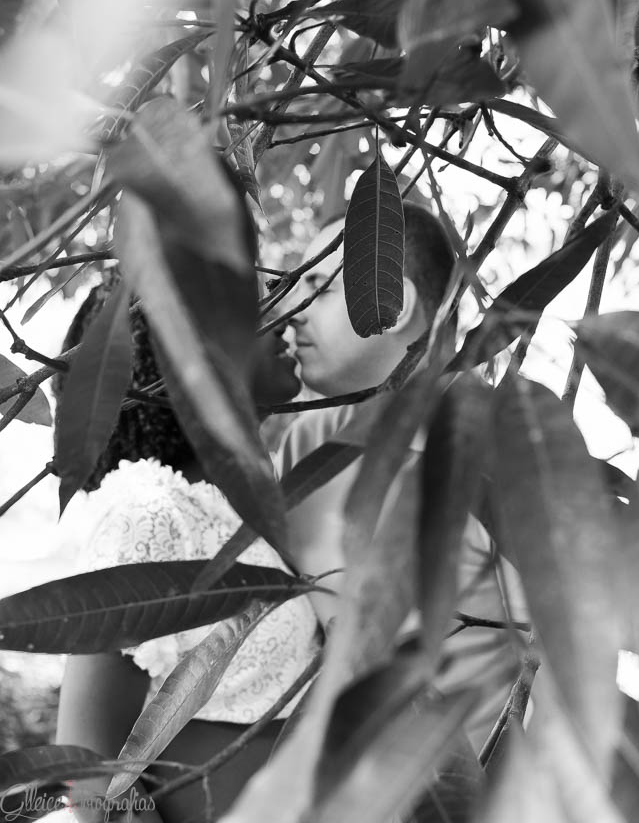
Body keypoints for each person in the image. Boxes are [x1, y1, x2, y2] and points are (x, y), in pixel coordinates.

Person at [55, 271, 320, 823]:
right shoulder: (148, 514)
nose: (285, 317)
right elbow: (92, 770)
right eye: (254, 307)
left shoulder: (241, 505)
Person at [278, 202, 530, 755]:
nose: (293, 311)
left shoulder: (505, 452)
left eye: (319, 287)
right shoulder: (307, 443)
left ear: (393, 306)